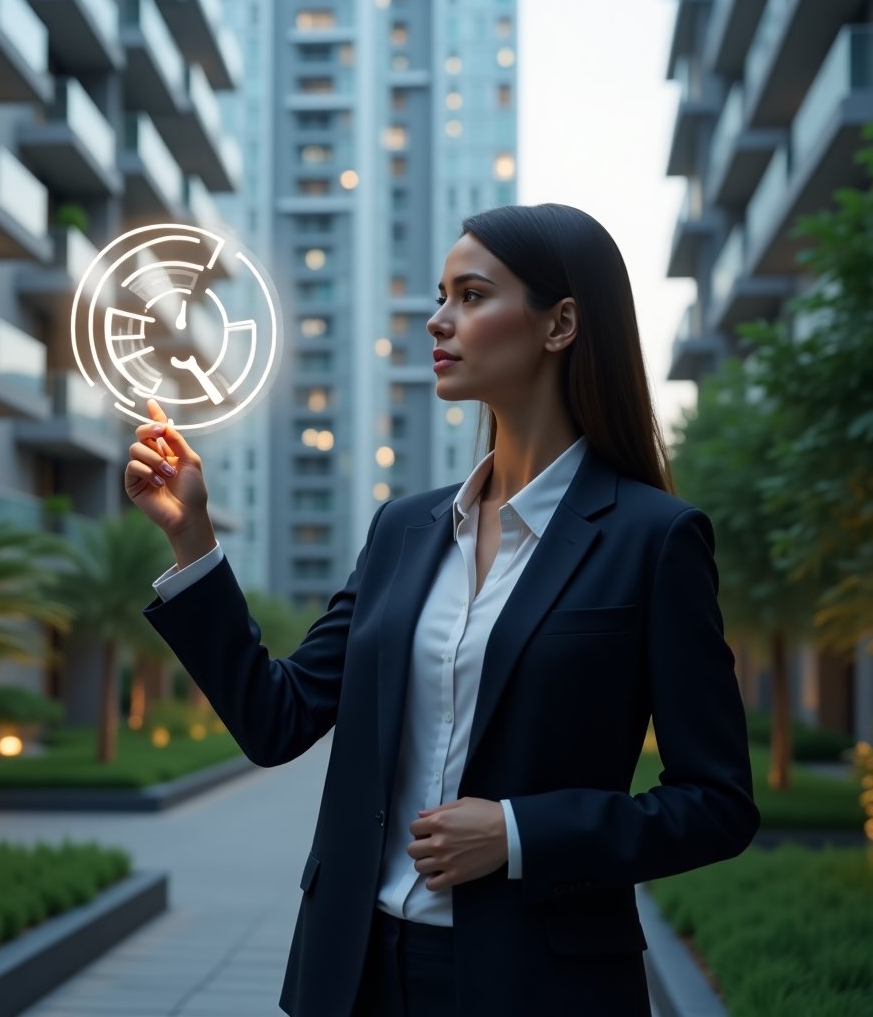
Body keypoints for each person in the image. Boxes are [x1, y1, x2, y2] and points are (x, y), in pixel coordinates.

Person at [125, 203, 760, 1017]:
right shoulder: (403, 530)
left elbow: (716, 804)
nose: (438, 319)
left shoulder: (654, 538)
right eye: (441, 295)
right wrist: (194, 541)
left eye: (471, 295)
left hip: (540, 985)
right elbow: (275, 719)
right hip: (356, 973)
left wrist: (518, 834)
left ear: (561, 323)